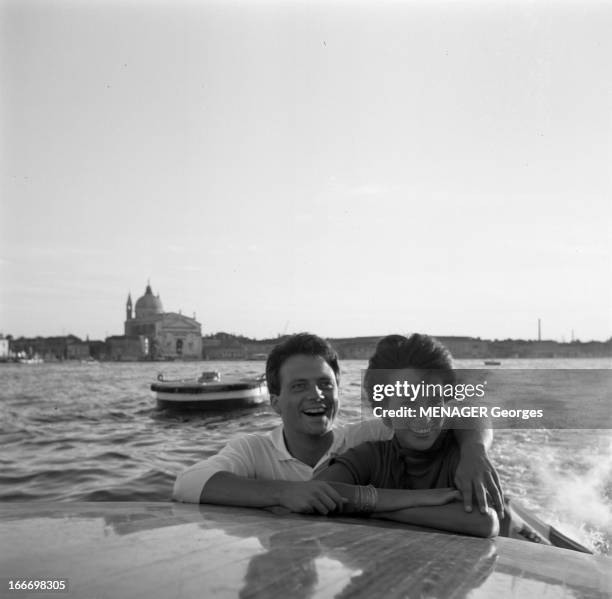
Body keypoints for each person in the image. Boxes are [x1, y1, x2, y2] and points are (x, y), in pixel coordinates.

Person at [173, 333, 503, 519]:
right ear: (275, 401)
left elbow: (463, 410)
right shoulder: (253, 450)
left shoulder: (368, 437)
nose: (316, 395)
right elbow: (188, 483)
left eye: (325, 385)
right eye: (299, 386)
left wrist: (474, 451)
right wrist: (287, 493)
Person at [315, 333, 501, 537]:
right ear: (385, 413)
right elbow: (316, 491)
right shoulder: (370, 457)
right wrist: (419, 499)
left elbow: (484, 522)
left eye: (434, 401)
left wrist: (376, 508)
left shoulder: (460, 460)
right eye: (409, 403)